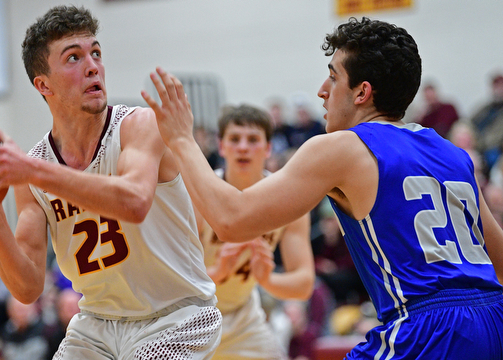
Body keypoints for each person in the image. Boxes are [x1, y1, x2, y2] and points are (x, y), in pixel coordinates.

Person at [143, 17, 503, 359]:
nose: (322, 91)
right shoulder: (453, 154)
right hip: (494, 320)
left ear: (362, 92)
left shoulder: (342, 147)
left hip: (427, 327)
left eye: (332, 78)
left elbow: (231, 219)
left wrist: (181, 139)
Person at [0, 5, 221, 360]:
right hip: (96, 325)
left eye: (95, 52)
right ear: (43, 84)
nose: (92, 65)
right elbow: (27, 286)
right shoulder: (33, 168)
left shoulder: (138, 127)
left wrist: (31, 171)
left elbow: (134, 202)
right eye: (73, 57)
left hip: (176, 315)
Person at [198, 104, 315, 360]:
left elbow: (304, 284)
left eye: (252, 139)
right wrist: (216, 273)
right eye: (234, 139)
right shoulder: (199, 195)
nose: (242, 147)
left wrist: (267, 279)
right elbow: (172, 278)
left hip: (244, 316)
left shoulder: (288, 201)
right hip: (193, 313)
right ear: (221, 146)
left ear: (268, 147)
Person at [470, 72, 503, 171]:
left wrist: (479, 143)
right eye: (496, 86)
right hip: (475, 143)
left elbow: (496, 137)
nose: (498, 90)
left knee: (492, 156)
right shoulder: (486, 108)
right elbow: (469, 121)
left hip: (492, 147)